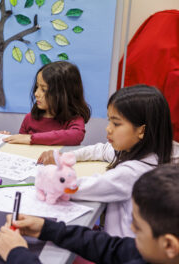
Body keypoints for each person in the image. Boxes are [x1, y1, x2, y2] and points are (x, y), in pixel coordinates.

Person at [38, 85, 173, 238]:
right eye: (109, 121)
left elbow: (76, 188)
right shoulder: (148, 152)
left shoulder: (132, 173)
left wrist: (48, 177)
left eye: (116, 123)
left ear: (141, 130)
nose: (108, 129)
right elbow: (101, 150)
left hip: (117, 252)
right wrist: (66, 158)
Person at [0, 164, 179, 264]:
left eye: (137, 226)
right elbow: (112, 248)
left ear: (169, 245)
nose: (131, 229)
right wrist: (47, 228)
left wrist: (17, 254)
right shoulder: (158, 255)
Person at [1, 61, 91, 145]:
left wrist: (32, 138)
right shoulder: (29, 118)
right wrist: (6, 138)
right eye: (37, 87)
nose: (36, 93)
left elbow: (75, 136)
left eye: (44, 89)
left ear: (64, 94)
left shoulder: (74, 121)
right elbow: (22, 140)